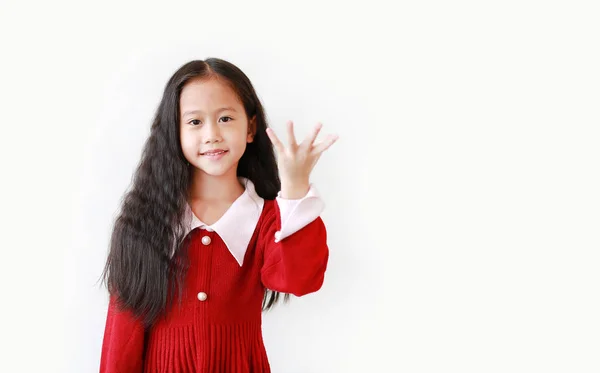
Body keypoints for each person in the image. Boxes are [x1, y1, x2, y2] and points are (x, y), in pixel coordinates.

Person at [99, 57, 338, 373]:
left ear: (250, 127)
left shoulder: (268, 219)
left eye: (225, 118)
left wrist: (294, 187)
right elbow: (122, 342)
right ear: (175, 132)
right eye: (195, 122)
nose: (211, 134)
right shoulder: (143, 224)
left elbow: (299, 279)